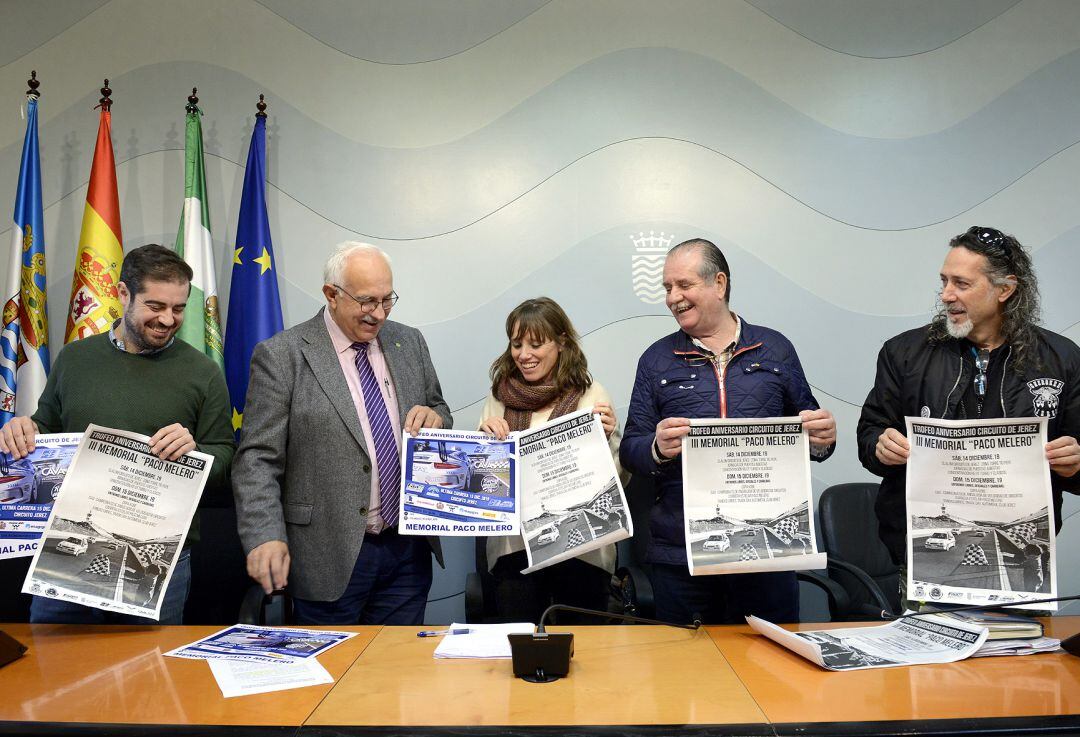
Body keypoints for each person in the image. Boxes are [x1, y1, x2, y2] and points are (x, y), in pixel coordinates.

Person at [0, 244, 235, 624]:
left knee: (146, 676)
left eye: (178, 308)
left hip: (157, 561)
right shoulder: (75, 359)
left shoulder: (203, 372)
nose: (168, 319)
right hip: (67, 550)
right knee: (53, 669)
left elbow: (226, 458)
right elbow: (46, 428)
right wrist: (23, 429)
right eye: (155, 306)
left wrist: (195, 452)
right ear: (123, 294)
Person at [233, 242, 451, 625]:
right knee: (330, 677)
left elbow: (439, 409)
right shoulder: (283, 355)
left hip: (406, 551)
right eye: (367, 301)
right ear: (331, 295)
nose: (379, 314)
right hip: (326, 553)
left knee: (394, 676)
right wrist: (264, 534)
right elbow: (257, 459)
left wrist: (435, 417)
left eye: (388, 300)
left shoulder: (409, 342)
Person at [620, 238, 836, 624]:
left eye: (683, 285)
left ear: (719, 284)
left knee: (771, 672)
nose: (673, 297)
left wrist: (822, 440)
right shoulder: (655, 360)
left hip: (767, 549)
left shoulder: (775, 349)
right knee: (688, 674)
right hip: (681, 554)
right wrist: (655, 447)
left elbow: (809, 436)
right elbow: (631, 450)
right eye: (667, 288)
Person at [858, 226, 1080, 571]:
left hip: (1022, 552)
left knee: (1018, 629)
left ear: (1005, 289)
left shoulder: (1061, 359)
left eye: (961, 284)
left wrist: (1076, 462)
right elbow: (871, 433)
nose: (946, 294)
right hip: (920, 555)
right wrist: (880, 446)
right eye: (944, 281)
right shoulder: (903, 352)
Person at [478, 297, 626, 623]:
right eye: (516, 344)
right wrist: (486, 448)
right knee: (519, 651)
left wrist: (606, 441)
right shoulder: (498, 397)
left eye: (536, 343)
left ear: (561, 342)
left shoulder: (591, 394)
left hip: (583, 550)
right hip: (513, 550)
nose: (524, 354)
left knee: (586, 653)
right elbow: (486, 492)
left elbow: (618, 479)